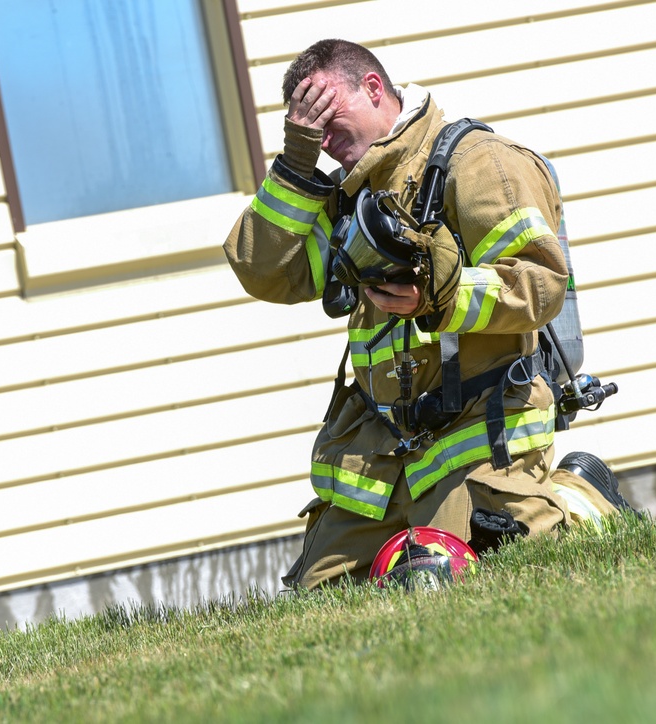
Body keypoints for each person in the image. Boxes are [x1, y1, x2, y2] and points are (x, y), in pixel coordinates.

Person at [223, 39, 634, 590]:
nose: (326, 140)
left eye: (329, 118)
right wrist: (296, 163)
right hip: (383, 454)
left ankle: (579, 499)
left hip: (476, 436)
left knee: (460, 571)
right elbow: (263, 270)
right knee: (318, 595)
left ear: (373, 88)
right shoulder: (351, 195)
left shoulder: (479, 162)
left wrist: (437, 298)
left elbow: (540, 283)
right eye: (311, 129)